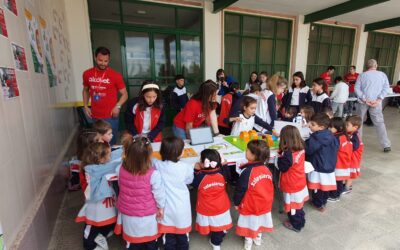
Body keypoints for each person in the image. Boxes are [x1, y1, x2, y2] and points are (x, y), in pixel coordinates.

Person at [114, 136, 165, 249]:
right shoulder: (154, 174)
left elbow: (120, 186)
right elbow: (159, 195)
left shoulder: (119, 169)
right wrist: (161, 207)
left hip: (128, 215)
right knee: (151, 241)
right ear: (148, 156)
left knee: (132, 242)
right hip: (148, 216)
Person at [153, 136, 194, 250]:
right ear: (180, 153)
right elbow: (189, 180)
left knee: (168, 237)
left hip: (166, 207)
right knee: (183, 238)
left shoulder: (158, 165)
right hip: (182, 207)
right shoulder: (186, 167)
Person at [75, 142, 117, 250]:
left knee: (109, 221)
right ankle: (89, 246)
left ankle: (101, 235)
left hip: (105, 202)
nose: (110, 156)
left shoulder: (99, 166)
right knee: (92, 225)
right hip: (95, 205)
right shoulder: (93, 170)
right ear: (100, 159)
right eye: (108, 154)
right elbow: (113, 166)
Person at [82, 47, 128, 145]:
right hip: (95, 116)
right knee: (97, 143)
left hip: (110, 116)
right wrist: (85, 106)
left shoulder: (115, 76)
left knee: (110, 143)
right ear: (95, 58)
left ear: (109, 60)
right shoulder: (87, 74)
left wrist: (118, 106)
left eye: (106, 61)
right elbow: (85, 90)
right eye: (100, 60)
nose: (103, 63)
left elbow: (125, 94)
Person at [234, 140, 274, 250]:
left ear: (253, 155)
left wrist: (237, 202)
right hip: (265, 203)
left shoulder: (247, 171)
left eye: (247, 150)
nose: (245, 151)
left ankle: (248, 240)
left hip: (250, 204)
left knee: (249, 222)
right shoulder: (267, 169)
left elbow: (240, 190)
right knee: (260, 220)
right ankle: (258, 237)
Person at [193, 149, 232, 250]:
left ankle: (216, 243)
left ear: (202, 163)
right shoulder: (223, 173)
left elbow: (194, 184)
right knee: (219, 224)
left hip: (206, 207)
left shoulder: (200, 176)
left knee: (213, 226)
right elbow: (229, 177)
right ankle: (217, 241)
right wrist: (225, 165)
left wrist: (196, 170)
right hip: (221, 206)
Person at [355, 59, 391, 152]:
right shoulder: (382, 75)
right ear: (376, 65)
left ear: (367, 66)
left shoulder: (362, 75)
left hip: (363, 102)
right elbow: (386, 87)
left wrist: (364, 98)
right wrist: (379, 99)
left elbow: (356, 88)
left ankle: (358, 143)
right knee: (379, 123)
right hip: (376, 103)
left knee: (359, 122)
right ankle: (385, 145)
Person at [277, 125, 308, 232]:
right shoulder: (301, 147)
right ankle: (300, 217)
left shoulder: (288, 154)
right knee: (298, 204)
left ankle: (296, 225)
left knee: (293, 207)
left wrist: (280, 156)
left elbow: (282, 167)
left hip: (291, 184)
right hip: (300, 180)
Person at [306, 113, 338, 212]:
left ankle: (318, 204)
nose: (309, 125)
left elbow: (308, 150)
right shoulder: (330, 135)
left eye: (312, 124)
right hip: (330, 165)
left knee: (317, 187)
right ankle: (323, 202)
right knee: (325, 186)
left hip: (319, 166)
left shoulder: (316, 137)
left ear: (321, 127)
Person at [327, 118, 353, 202]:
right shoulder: (344, 135)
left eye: (331, 127)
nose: (329, 129)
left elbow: (333, 149)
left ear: (339, 127)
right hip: (344, 162)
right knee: (339, 180)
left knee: (336, 180)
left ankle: (335, 196)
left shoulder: (337, 138)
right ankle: (337, 192)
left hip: (339, 163)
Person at [343, 115, 364, 194]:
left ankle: (348, 188)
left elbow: (354, 147)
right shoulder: (350, 132)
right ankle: (346, 185)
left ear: (355, 127)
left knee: (350, 174)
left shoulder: (355, 136)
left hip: (354, 159)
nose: (345, 126)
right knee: (347, 173)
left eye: (347, 125)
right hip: (350, 158)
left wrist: (348, 140)